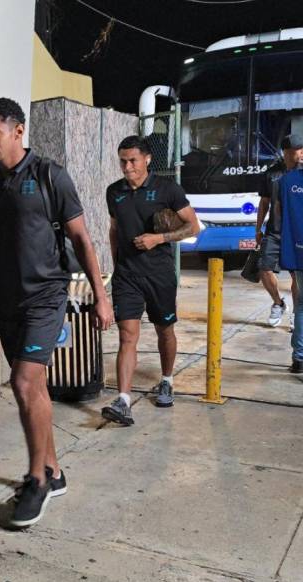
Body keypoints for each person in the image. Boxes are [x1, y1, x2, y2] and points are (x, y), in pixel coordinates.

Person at [0, 98, 114, 528]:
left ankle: (36, 480)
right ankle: (55, 470)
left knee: (23, 381)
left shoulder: (49, 175)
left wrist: (101, 296)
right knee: (36, 388)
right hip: (4, 297)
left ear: (18, 131)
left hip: (46, 295)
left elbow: (82, 240)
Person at [102, 136, 200, 426]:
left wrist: (159, 238)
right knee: (127, 335)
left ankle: (167, 379)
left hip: (159, 273)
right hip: (127, 275)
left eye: (132, 160)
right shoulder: (114, 192)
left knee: (164, 330)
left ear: (146, 159)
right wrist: (116, 262)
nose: (127, 167)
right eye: (122, 161)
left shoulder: (167, 189)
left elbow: (192, 226)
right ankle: (123, 400)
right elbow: (114, 229)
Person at [256, 134, 303, 328]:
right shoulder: (271, 174)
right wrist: (258, 228)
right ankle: (278, 303)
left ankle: (296, 313)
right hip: (274, 231)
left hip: (297, 233)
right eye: (296, 151)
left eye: (301, 150)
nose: (300, 154)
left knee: (297, 276)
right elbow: (264, 202)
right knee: (264, 268)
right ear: (286, 153)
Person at [278, 150, 303, 374]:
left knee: (302, 305)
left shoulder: (286, 181)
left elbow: (279, 212)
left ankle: (299, 357)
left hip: (298, 248)